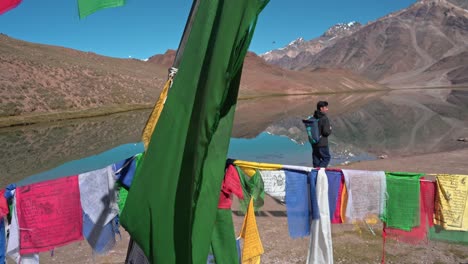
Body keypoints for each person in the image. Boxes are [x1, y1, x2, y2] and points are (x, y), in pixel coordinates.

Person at [312, 101, 332, 167]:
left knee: (316, 159)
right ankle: (320, 172)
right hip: (322, 143)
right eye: (326, 107)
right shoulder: (324, 118)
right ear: (321, 108)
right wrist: (330, 129)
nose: (327, 109)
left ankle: (315, 173)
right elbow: (326, 132)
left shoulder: (314, 117)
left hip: (314, 142)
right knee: (326, 158)